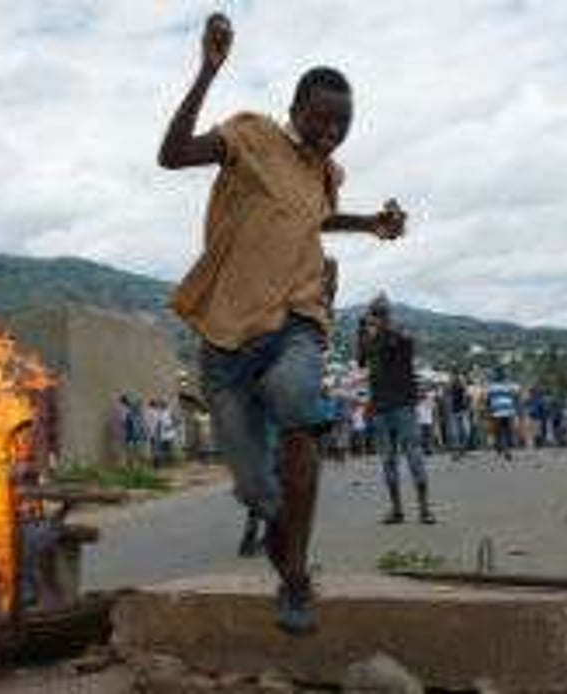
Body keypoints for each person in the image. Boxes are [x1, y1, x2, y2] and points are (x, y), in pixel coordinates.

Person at [158, 12, 407, 634]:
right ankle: (277, 526)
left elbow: (314, 220)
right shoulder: (249, 135)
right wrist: (207, 71)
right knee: (253, 488)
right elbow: (172, 155)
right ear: (295, 107)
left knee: (301, 404)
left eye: (343, 123)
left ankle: (295, 573)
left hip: (295, 320)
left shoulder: (327, 175)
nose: (330, 131)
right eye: (321, 117)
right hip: (225, 335)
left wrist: (370, 222)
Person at [357, 295, 435, 526]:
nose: (377, 319)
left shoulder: (398, 337)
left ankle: (421, 509)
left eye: (379, 315)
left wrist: (378, 329)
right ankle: (402, 510)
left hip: (399, 404)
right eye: (376, 315)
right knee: (390, 459)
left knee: (411, 455)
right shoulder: (374, 341)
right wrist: (361, 333)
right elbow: (361, 359)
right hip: (384, 406)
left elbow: (406, 343)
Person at [485, 367, 519, 461]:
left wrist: (488, 409)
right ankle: (506, 450)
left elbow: (488, 399)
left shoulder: (491, 386)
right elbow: (515, 396)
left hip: (497, 411)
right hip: (508, 410)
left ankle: (500, 449)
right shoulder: (509, 385)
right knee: (506, 431)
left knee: (498, 431)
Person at [447, 375, 471, 459]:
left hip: (461, 411)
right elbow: (449, 400)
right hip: (456, 412)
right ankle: (457, 452)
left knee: (464, 432)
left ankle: (460, 451)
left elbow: (467, 400)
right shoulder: (451, 389)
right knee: (457, 433)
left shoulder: (463, 389)